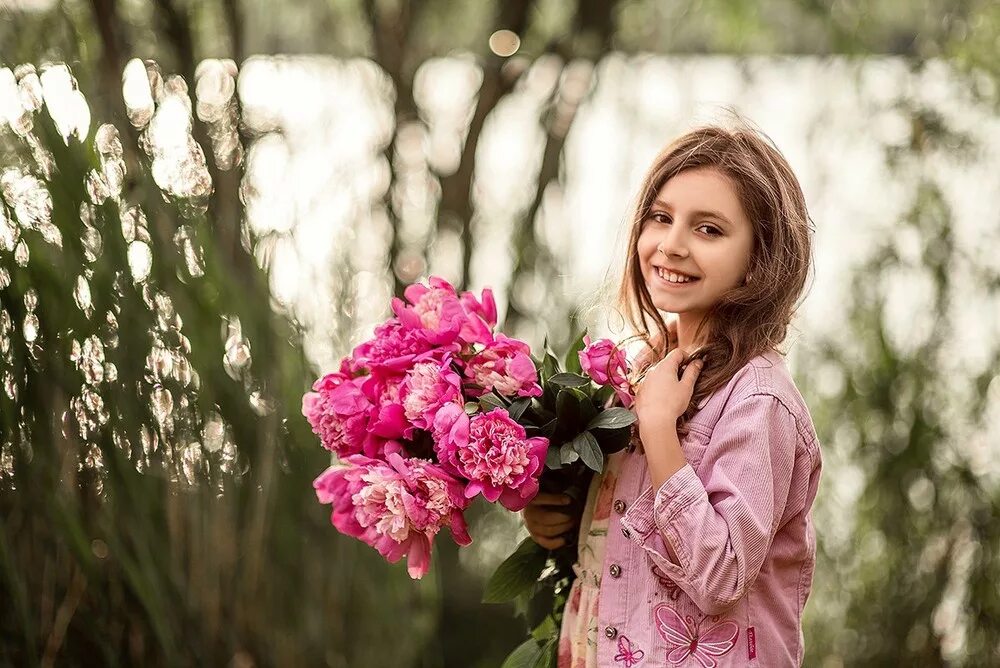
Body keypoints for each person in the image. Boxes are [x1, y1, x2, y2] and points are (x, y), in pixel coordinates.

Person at [523, 122, 822, 667]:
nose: (672, 244)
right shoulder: (639, 373)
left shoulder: (759, 403)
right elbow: (619, 541)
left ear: (761, 259)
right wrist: (556, 526)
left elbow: (720, 577)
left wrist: (660, 432)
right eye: (660, 218)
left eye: (708, 230)